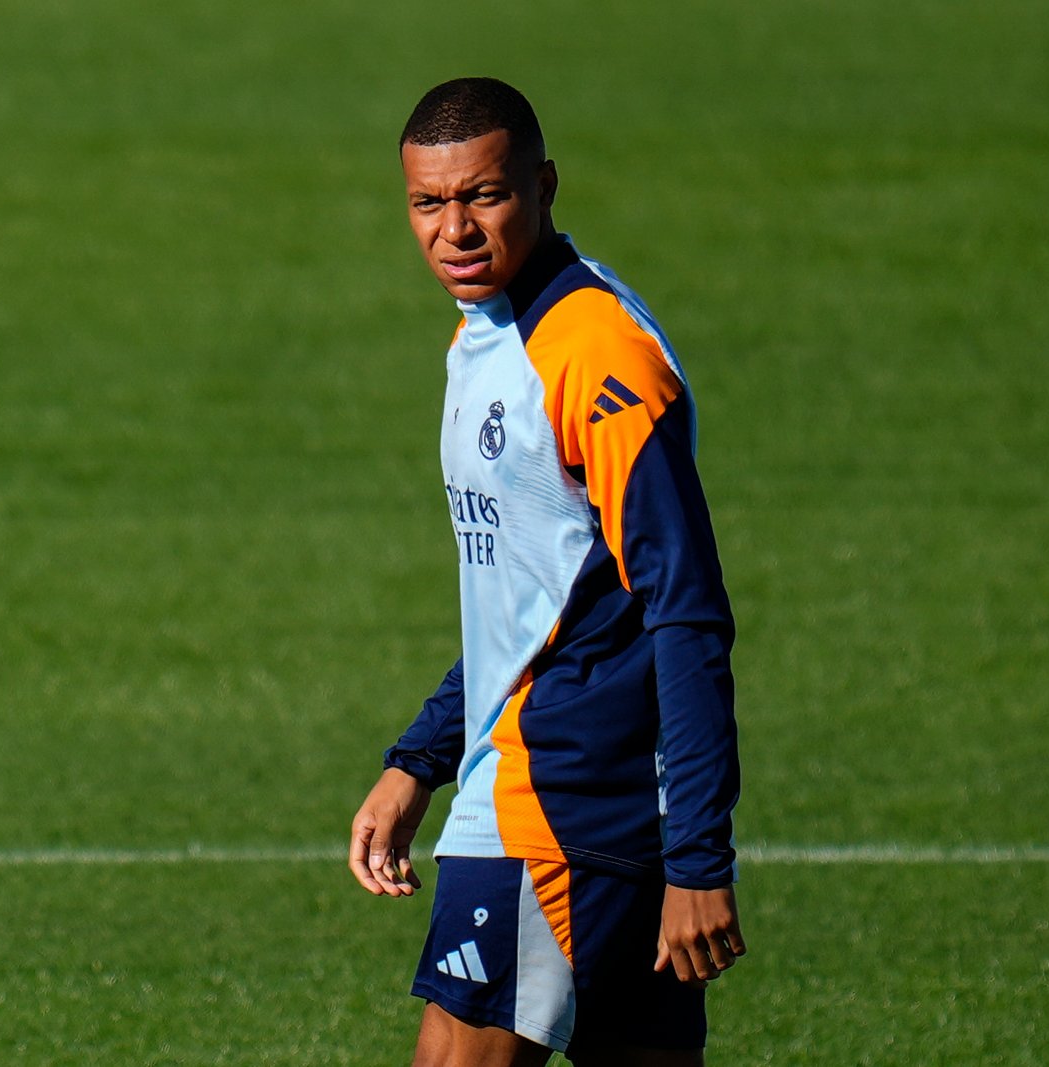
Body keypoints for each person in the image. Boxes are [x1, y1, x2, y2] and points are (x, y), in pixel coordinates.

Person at [349, 77, 744, 1067]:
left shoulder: (596, 355)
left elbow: (686, 608)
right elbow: (536, 598)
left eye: (483, 195)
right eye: (428, 203)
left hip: (557, 800)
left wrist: (699, 857)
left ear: (544, 186)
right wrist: (420, 757)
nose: (454, 230)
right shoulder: (486, 332)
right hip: (578, 797)